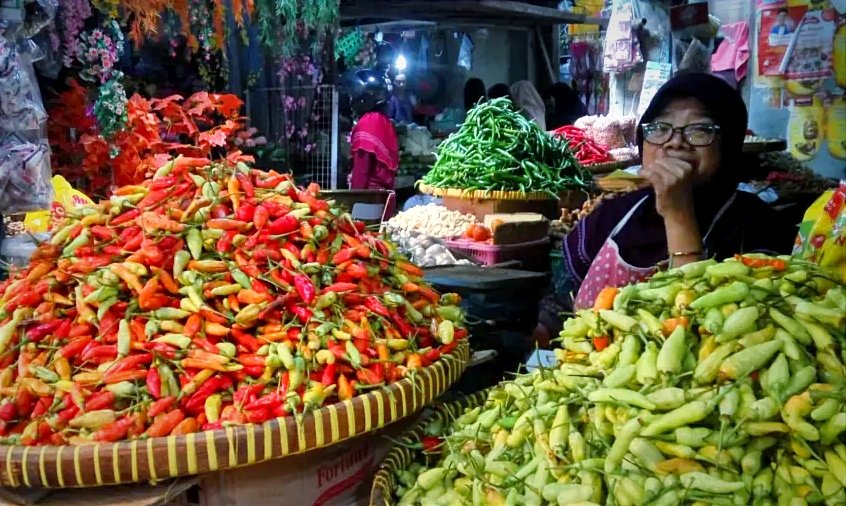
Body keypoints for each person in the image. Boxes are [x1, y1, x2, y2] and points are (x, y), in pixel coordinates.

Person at [558, 72, 797, 312]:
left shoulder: (760, 228)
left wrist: (678, 213)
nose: (675, 142)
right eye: (660, 128)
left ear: (728, 143)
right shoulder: (613, 214)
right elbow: (560, 301)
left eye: (699, 130)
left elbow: (710, 329)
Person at [346, 69, 399, 194]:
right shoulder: (384, 121)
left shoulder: (368, 122)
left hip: (368, 198)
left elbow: (362, 169)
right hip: (385, 195)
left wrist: (353, 199)